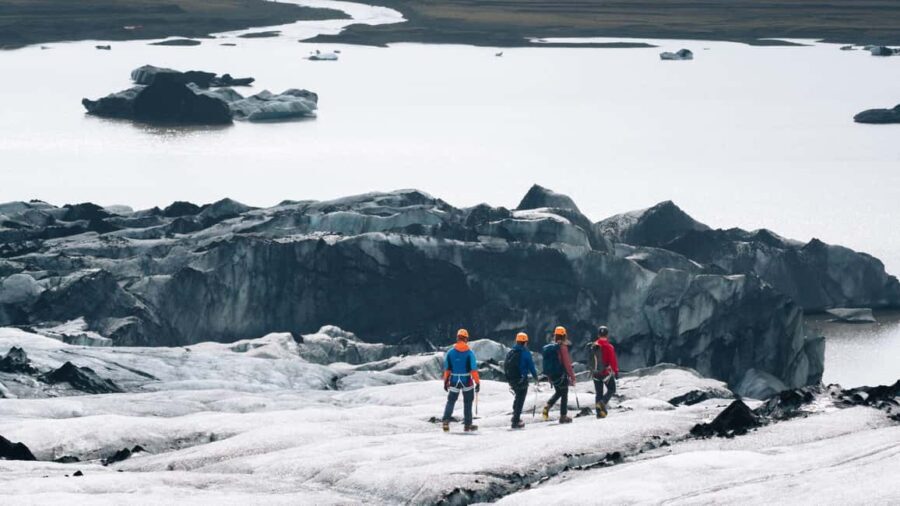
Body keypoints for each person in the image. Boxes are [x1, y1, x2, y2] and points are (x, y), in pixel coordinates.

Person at [441, 328, 481, 432]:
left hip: (454, 379)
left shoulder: (450, 353)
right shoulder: (469, 353)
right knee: (467, 402)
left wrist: (446, 382)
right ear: (466, 339)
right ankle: (467, 425)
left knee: (451, 401)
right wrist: (477, 382)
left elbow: (447, 369)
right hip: (466, 380)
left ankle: (445, 421)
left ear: (457, 338)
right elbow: (473, 370)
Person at [541, 326, 576, 424]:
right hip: (561, 375)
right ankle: (563, 416)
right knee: (564, 394)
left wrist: (549, 376)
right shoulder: (562, 347)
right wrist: (572, 377)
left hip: (552, 375)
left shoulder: (550, 347)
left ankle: (547, 406)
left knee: (559, 392)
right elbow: (567, 363)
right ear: (564, 335)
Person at [504, 332, 539, 429]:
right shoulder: (525, 353)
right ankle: (516, 421)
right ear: (524, 342)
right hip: (521, 380)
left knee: (518, 397)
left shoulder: (511, 352)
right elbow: (531, 366)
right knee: (520, 399)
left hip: (512, 380)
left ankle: (515, 416)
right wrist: (536, 377)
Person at [589, 325, 619, 418]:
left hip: (595, 373)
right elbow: (613, 361)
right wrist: (616, 371)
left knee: (599, 393)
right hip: (605, 373)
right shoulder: (609, 347)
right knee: (612, 389)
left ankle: (599, 413)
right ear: (607, 335)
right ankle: (603, 402)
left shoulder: (593, 345)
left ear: (598, 335)